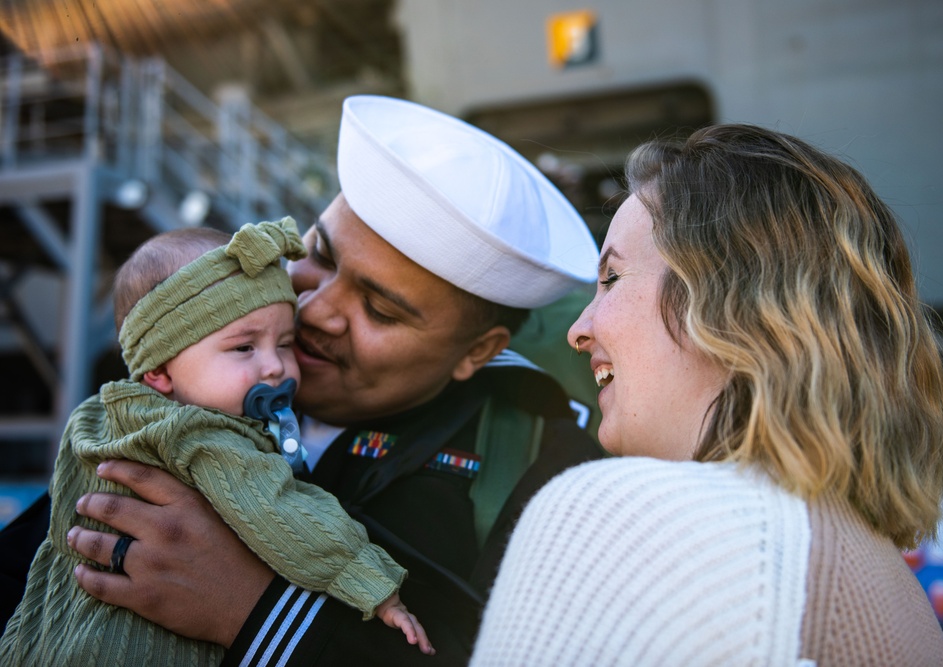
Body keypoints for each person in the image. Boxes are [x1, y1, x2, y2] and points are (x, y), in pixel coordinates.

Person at [0, 95, 605, 665]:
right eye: (321, 253)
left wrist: (255, 612)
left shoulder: (545, 481)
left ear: (478, 351)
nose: (313, 309)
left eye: (380, 309)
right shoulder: (183, 383)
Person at [470, 124, 943, 665]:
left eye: (612, 278)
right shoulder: (886, 581)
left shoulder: (624, 519)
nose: (578, 329)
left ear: (730, 306)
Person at [1, 219, 433, 665]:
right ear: (160, 372)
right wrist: (371, 584)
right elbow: (281, 511)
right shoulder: (206, 435)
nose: (274, 367)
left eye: (285, 343)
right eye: (244, 348)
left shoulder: (97, 416)